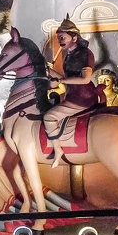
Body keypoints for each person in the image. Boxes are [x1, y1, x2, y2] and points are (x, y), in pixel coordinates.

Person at [44, 16, 100, 168]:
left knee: (49, 117)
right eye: (58, 37)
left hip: (82, 99)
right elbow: (66, 78)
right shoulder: (68, 54)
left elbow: (85, 79)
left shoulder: (85, 53)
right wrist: (50, 71)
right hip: (72, 96)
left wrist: (60, 81)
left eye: (63, 37)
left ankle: (58, 150)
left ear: (74, 37)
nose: (60, 40)